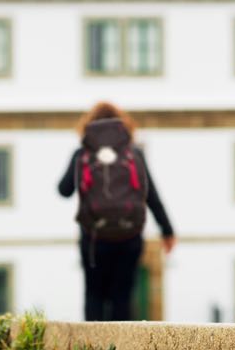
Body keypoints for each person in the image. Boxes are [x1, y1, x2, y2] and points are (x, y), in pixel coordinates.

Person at [59, 101, 175, 321]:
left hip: (93, 238)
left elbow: (64, 190)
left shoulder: (82, 154)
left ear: (89, 125)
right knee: (122, 297)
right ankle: (121, 344)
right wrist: (167, 231)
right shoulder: (134, 153)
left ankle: (91, 343)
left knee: (93, 294)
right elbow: (151, 195)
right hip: (128, 236)